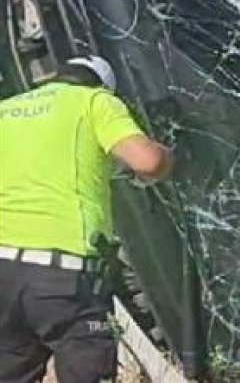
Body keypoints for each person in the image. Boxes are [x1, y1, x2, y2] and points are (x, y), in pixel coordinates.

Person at [0, 56, 173, 383]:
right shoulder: (95, 101)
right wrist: (168, 158)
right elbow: (146, 161)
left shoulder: (7, 110)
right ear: (102, 85)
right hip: (64, 277)